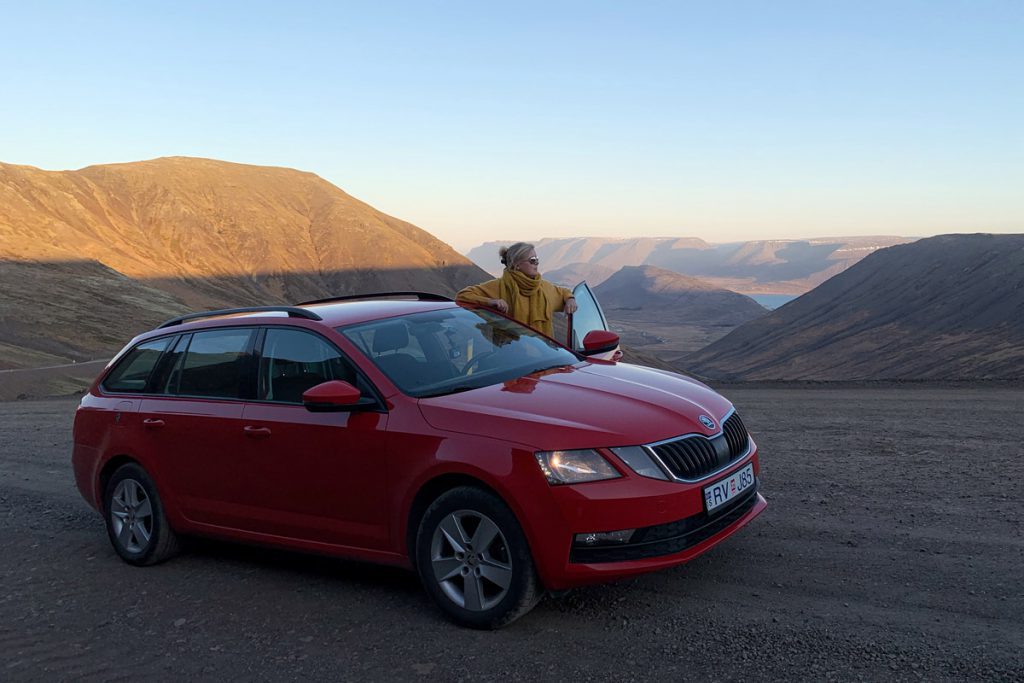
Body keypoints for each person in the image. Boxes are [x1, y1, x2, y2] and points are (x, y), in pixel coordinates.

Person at [456, 242, 578, 337]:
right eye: (532, 260)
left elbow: (563, 293)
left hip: (544, 356)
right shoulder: (498, 287)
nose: (537, 264)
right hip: (512, 357)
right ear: (517, 265)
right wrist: (490, 302)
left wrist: (570, 299)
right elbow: (463, 296)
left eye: (537, 260)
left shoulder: (543, 287)